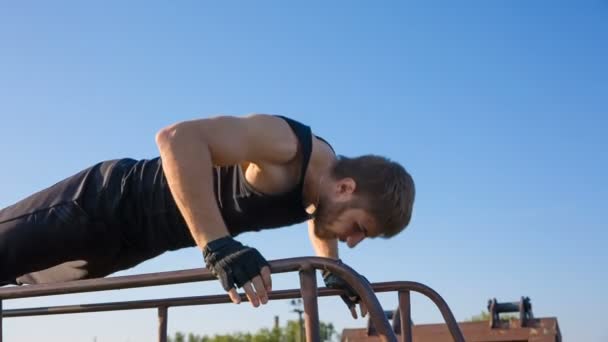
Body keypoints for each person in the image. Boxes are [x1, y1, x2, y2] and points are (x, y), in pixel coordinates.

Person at [0, 114, 415, 318]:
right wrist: (217, 244)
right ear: (346, 188)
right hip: (101, 203)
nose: (354, 239)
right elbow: (178, 138)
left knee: (13, 287)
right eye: (360, 227)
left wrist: (334, 270)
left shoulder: (321, 193)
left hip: (127, 247)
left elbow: (315, 216)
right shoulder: (290, 145)